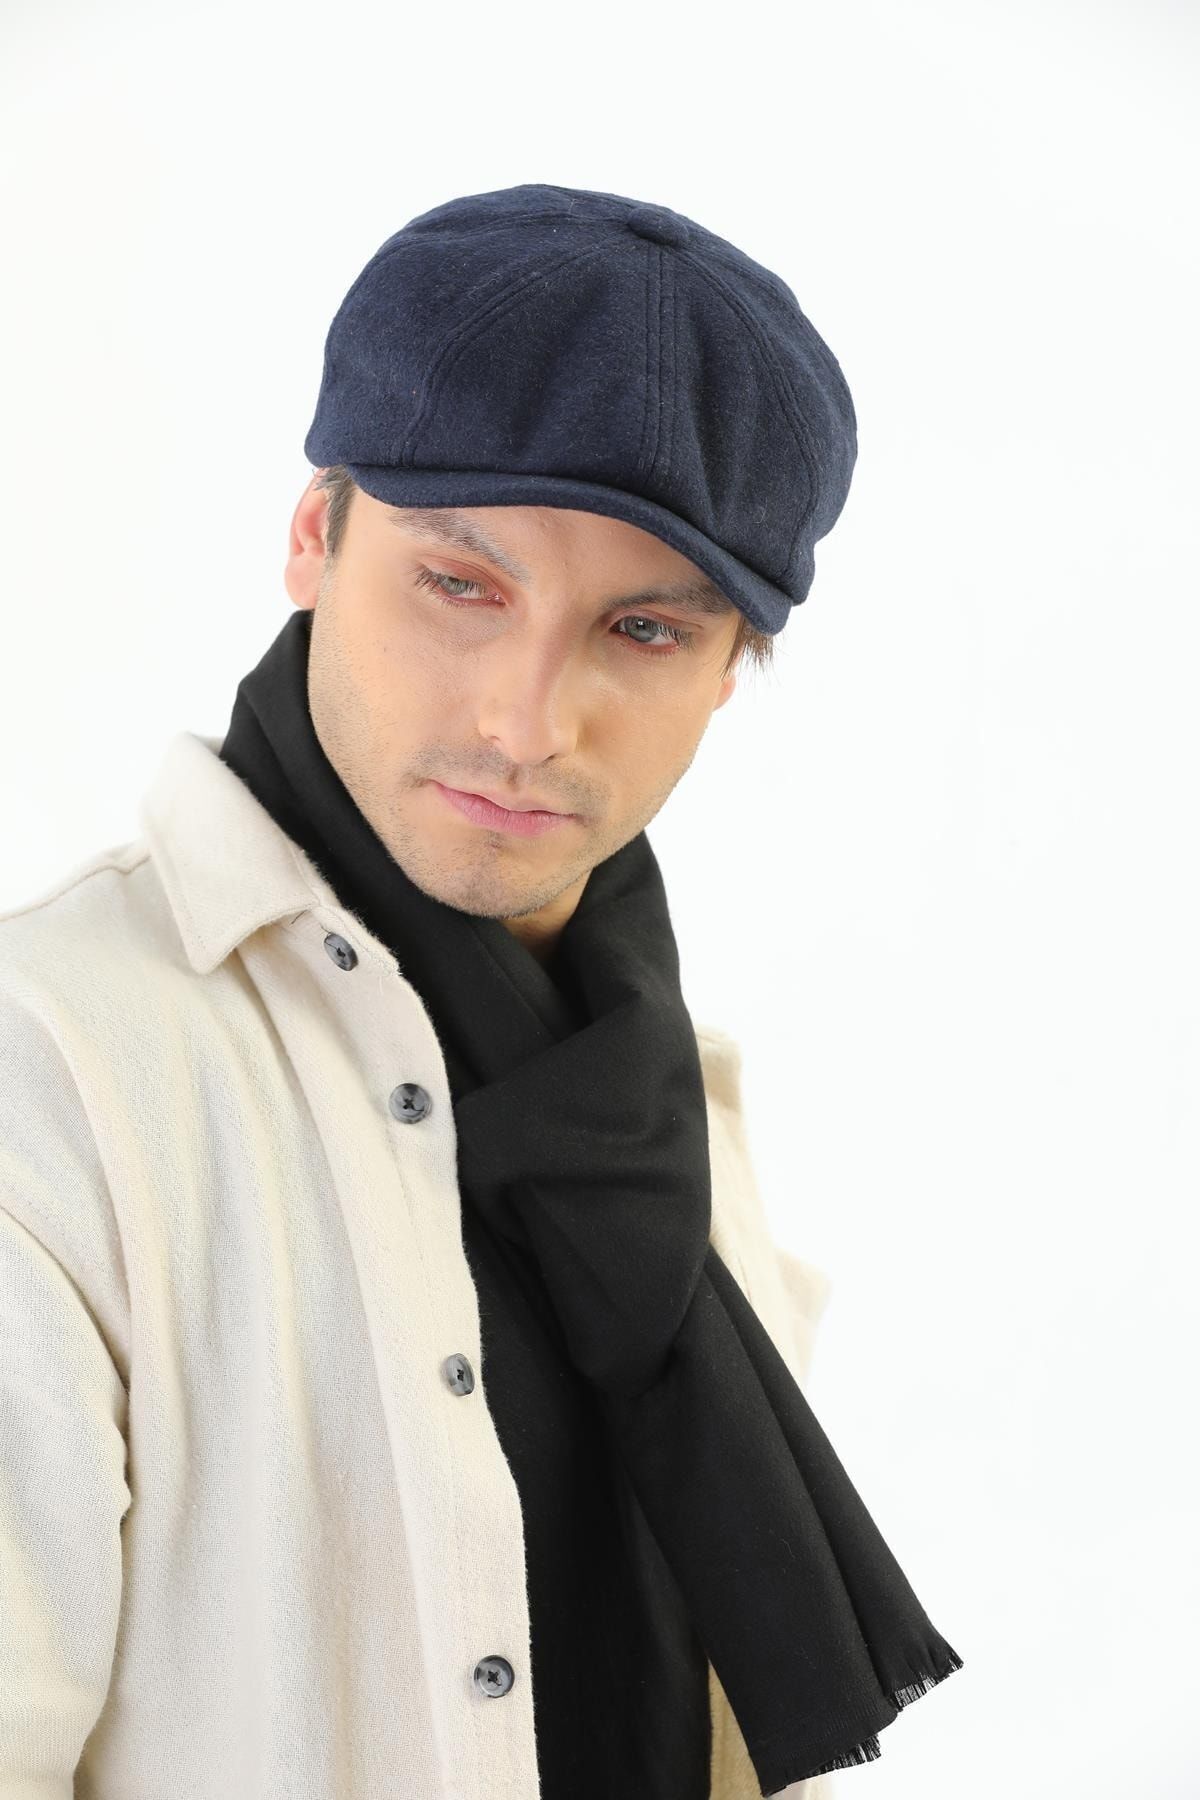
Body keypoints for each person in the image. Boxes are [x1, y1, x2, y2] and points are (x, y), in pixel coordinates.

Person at [0, 183, 961, 1800]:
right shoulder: (55, 1069)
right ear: (313, 539)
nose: (527, 722)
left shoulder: (662, 1089)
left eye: (643, 629)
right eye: (462, 584)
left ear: (730, 670)